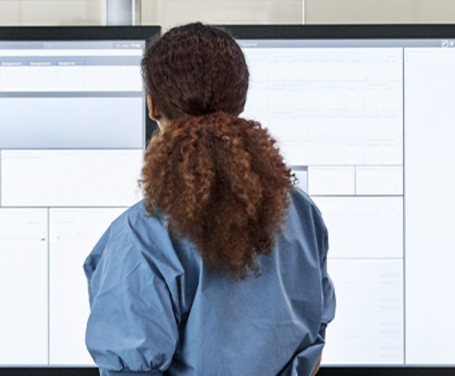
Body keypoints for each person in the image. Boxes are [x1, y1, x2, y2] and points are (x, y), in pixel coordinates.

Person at [84, 23, 334, 376]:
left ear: (153, 105)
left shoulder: (141, 235)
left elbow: (129, 367)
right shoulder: (300, 213)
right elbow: (314, 340)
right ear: (240, 100)